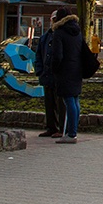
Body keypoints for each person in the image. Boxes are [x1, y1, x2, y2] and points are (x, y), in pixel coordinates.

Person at [51, 8, 83, 144]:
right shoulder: (77, 32)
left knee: (68, 100)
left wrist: (54, 69)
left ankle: (71, 133)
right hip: (76, 69)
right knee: (75, 100)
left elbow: (57, 55)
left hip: (65, 70)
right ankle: (73, 130)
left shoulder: (59, 32)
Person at [35, 27, 65, 138]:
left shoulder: (62, 35)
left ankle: (62, 128)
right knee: (49, 103)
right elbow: (38, 54)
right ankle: (51, 127)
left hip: (58, 76)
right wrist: (40, 70)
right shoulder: (45, 37)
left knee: (61, 104)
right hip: (46, 75)